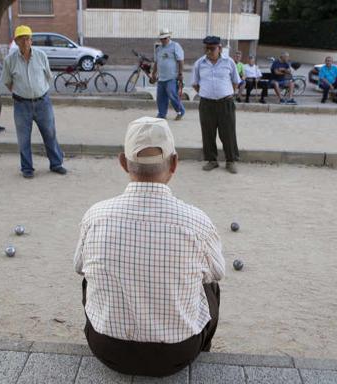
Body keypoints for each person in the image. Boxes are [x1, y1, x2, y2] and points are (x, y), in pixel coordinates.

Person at [74, 116, 225, 377]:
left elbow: (79, 267)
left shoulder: (95, 215)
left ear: (123, 162)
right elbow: (217, 273)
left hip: (107, 349)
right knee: (210, 286)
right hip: (178, 353)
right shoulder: (196, 221)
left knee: (89, 277)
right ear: (174, 163)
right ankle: (204, 350)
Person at [2, 25, 67, 178]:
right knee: (23, 138)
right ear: (16, 41)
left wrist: (37, 90)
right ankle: (27, 169)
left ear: (31, 40)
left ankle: (56, 164)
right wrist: (22, 92)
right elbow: (7, 81)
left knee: (50, 133)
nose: (25, 42)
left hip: (42, 102)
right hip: (21, 105)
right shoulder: (9, 60)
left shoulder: (41, 55)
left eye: (27, 38)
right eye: (21, 39)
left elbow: (48, 76)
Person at [191, 36, 242, 174]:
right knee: (208, 132)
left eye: (212, 48)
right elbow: (195, 84)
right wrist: (206, 93)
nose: (209, 51)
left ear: (219, 48)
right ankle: (212, 160)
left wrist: (228, 93)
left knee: (228, 133)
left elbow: (236, 81)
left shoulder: (229, 62)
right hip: (206, 104)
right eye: (206, 48)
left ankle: (230, 161)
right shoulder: (199, 63)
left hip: (225, 102)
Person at [151, 28, 185, 120]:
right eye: (162, 38)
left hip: (172, 77)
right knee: (160, 97)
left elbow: (180, 60)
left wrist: (180, 73)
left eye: (165, 38)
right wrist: (153, 74)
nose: (163, 40)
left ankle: (180, 111)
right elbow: (156, 62)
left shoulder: (175, 46)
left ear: (169, 37)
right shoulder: (159, 49)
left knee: (172, 94)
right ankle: (162, 114)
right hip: (161, 77)